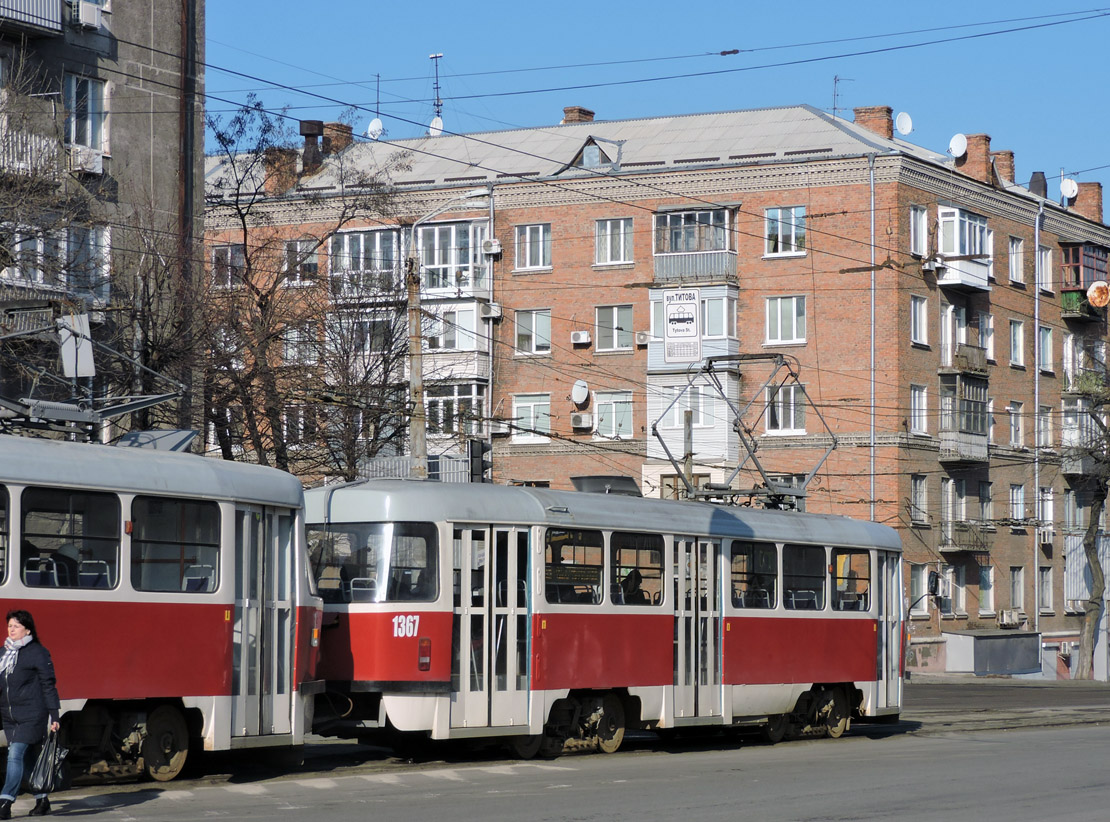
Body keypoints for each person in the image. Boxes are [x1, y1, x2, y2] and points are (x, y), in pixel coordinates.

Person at [0, 611, 60, 818]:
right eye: (9, 626)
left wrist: (55, 716)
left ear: (27, 629)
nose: (11, 629)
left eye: (16, 626)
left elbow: (48, 685)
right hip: (10, 716)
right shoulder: (4, 653)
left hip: (32, 714)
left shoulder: (38, 652)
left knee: (14, 755)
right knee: (27, 761)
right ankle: (42, 800)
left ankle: (5, 802)